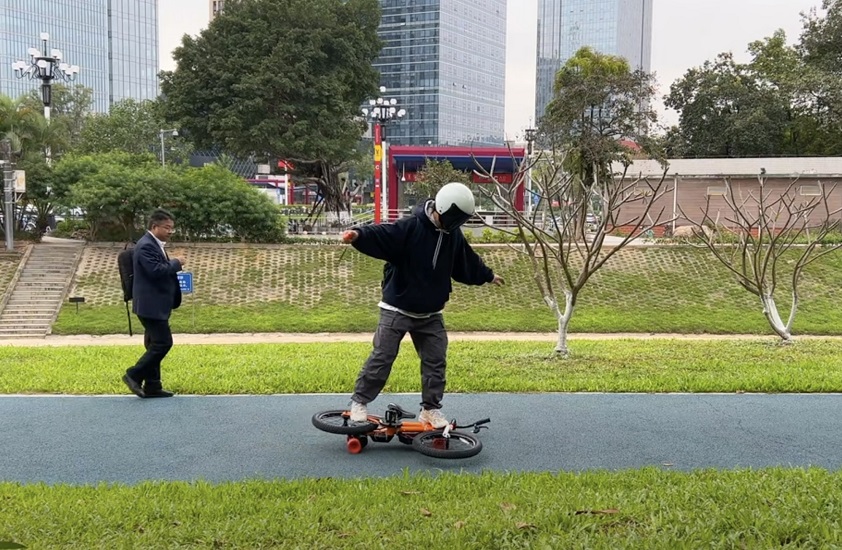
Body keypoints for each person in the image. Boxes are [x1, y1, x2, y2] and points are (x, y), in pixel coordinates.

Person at [341, 182, 504, 428]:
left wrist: (488, 275)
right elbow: (384, 234)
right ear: (442, 208)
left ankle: (430, 410)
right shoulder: (411, 227)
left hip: (431, 314)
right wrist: (358, 235)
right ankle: (359, 402)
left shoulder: (453, 235)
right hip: (397, 308)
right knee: (382, 357)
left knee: (435, 362)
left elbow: (466, 261)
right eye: (453, 218)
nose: (455, 224)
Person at [122, 209, 186, 398]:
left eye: (171, 228)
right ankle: (133, 374)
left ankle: (153, 385)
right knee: (163, 343)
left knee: (153, 345)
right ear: (154, 226)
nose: (170, 231)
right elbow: (156, 271)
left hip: (155, 303)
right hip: (150, 305)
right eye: (167, 227)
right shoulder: (146, 246)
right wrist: (176, 262)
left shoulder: (154, 244)